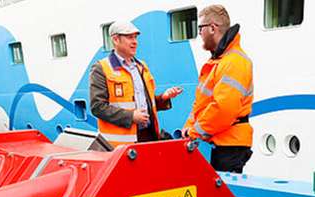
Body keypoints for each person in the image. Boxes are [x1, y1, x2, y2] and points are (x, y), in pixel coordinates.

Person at [89, 20, 183, 147]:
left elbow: (145, 103)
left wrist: (163, 98)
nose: (135, 42)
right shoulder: (101, 68)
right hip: (120, 146)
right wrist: (131, 116)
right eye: (129, 37)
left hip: (149, 137)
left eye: (135, 37)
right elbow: (98, 107)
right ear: (116, 40)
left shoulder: (141, 66)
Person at [184, 5, 253, 173]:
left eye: (200, 28)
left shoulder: (234, 62)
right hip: (222, 144)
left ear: (212, 28)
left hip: (231, 147)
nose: (199, 33)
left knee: (224, 196)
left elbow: (224, 109)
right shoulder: (220, 61)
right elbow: (201, 103)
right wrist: (189, 126)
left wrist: (194, 131)